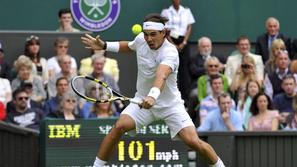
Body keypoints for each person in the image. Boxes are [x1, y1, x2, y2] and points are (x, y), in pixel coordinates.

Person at [81, 13, 225, 167]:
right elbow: (129, 46)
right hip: (141, 101)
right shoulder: (141, 40)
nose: (149, 39)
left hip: (170, 105)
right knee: (119, 127)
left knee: (193, 142)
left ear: (164, 33)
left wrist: (153, 96)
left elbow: (161, 76)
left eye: (153, 35)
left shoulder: (170, 52)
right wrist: (104, 46)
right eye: (146, 34)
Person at [161, 0, 195, 104]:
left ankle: (185, 99)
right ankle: (171, 98)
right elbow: (165, 29)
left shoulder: (186, 11)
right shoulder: (166, 12)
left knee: (184, 70)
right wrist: (173, 44)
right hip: (170, 41)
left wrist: (183, 42)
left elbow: (189, 27)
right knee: (171, 67)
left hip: (183, 42)